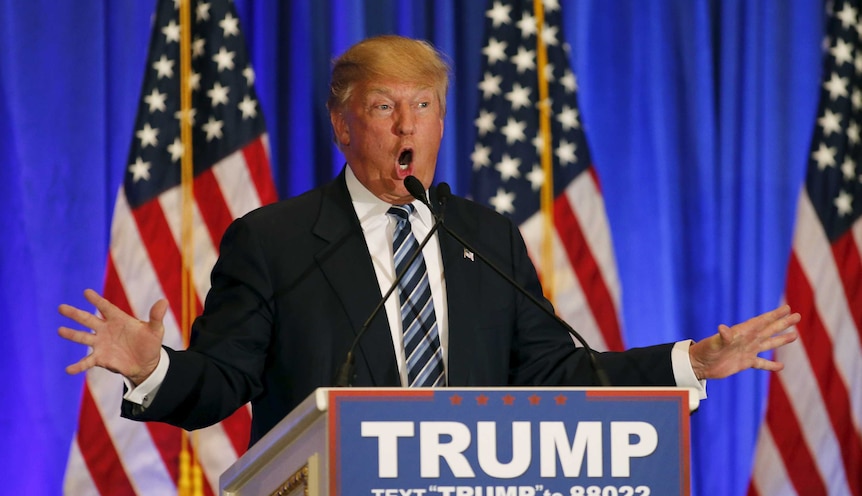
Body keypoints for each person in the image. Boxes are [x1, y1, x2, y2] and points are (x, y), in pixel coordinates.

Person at [58, 35, 800, 447]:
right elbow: (222, 381)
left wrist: (687, 362)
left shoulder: (487, 237)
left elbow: (558, 372)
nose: (406, 126)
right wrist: (154, 365)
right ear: (343, 125)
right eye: (383, 107)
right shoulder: (273, 241)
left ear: (443, 123)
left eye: (422, 106)